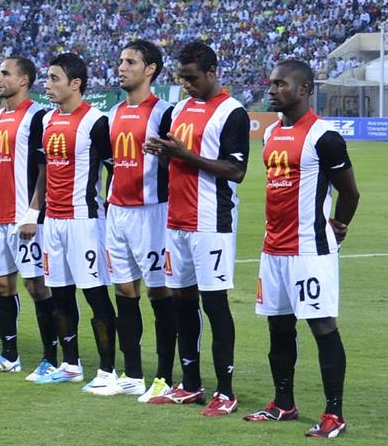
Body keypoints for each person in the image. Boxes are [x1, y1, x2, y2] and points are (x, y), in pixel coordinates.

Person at [244, 60, 359, 438]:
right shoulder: (270, 133)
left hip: (309, 249)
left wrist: (339, 225)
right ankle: (283, 404)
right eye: (271, 83)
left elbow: (350, 192)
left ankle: (334, 414)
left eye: (281, 84)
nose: (273, 90)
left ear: (305, 89)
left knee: (322, 326)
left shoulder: (324, 136)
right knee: (278, 326)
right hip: (272, 249)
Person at [143, 41, 249, 416]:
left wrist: (183, 155)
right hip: (176, 220)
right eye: (182, 79)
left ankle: (226, 391)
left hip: (211, 222)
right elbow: (176, 161)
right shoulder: (181, 109)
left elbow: (236, 170)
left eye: (192, 78)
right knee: (182, 301)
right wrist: (163, 152)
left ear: (211, 72)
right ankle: (190, 385)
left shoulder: (232, 112)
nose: (186, 85)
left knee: (215, 304)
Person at [0, 56, 60, 377]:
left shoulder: (38, 117)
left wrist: (33, 213)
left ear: (23, 80)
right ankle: (10, 356)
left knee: (37, 286)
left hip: (24, 218)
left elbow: (44, 169)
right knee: (2, 285)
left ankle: (51, 358)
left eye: (5, 73)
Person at [99, 40, 178, 399]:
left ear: (150, 70)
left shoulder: (164, 113)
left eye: (130, 62)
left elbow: (177, 164)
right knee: (124, 291)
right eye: (120, 61)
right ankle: (132, 374)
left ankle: (163, 377)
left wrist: (163, 156)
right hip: (118, 212)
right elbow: (111, 164)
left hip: (153, 213)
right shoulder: (113, 113)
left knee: (159, 292)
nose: (122, 67)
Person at [33, 53, 117, 389]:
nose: (47, 84)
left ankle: (107, 370)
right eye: (47, 78)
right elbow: (44, 170)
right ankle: (71, 364)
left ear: (75, 83)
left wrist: (112, 211)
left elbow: (114, 169)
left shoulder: (96, 122)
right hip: (53, 221)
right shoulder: (46, 120)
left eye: (54, 79)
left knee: (95, 296)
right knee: (60, 296)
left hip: (85, 221)